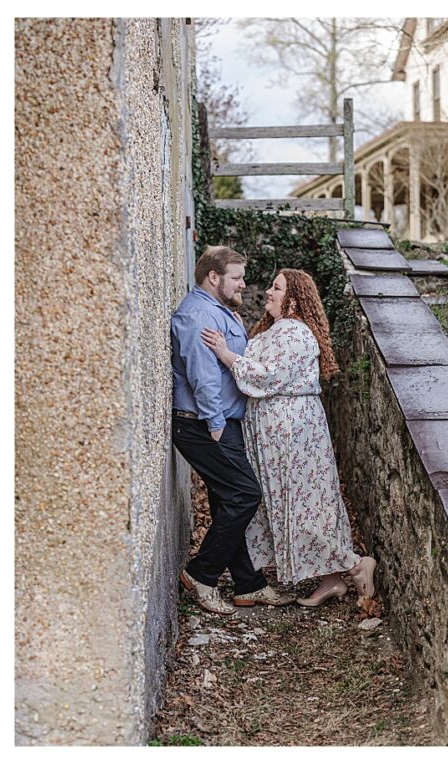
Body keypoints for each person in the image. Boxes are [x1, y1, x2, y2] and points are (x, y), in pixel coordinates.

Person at [201, 268, 377, 607]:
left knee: (303, 508)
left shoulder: (295, 333)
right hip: (279, 435)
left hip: (294, 435)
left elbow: (269, 376)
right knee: (291, 505)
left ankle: (355, 565)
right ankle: (331, 580)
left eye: (276, 287)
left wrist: (227, 354)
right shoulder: (277, 330)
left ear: (294, 298)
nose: (268, 291)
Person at [171, 246, 295, 615]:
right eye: (237, 277)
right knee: (245, 495)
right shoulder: (197, 316)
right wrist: (214, 424)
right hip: (204, 424)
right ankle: (201, 574)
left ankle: (248, 584)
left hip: (222, 422)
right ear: (214, 277)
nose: (243, 284)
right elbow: (202, 377)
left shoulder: (220, 311)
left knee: (228, 500)